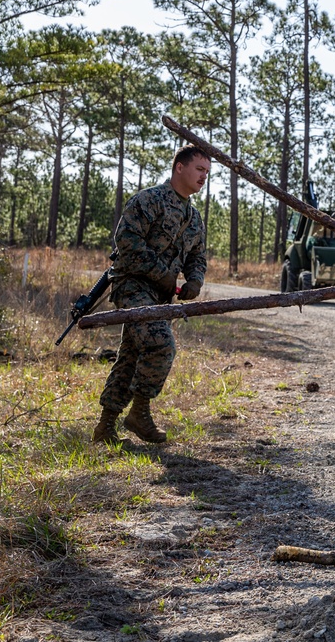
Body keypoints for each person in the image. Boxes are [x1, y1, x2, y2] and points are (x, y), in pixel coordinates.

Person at [91, 145, 209, 445]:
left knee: (130, 356)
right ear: (179, 168)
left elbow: (197, 256)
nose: (203, 177)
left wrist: (194, 281)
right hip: (132, 287)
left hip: (160, 297)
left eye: (207, 172)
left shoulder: (194, 218)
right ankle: (139, 413)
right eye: (199, 169)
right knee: (160, 344)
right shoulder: (149, 200)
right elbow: (127, 242)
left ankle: (105, 428)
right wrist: (164, 274)